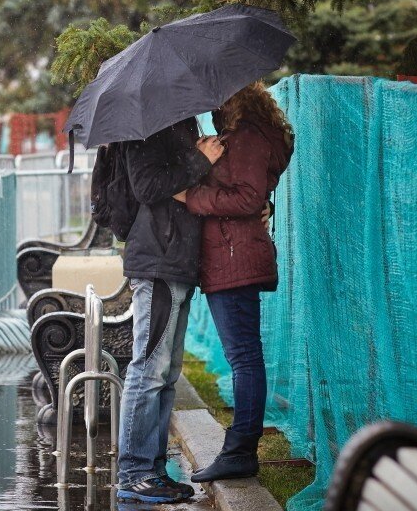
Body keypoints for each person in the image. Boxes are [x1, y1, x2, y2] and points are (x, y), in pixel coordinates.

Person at [173, 81, 294, 483]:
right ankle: (240, 447)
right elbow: (253, 195)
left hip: (234, 257)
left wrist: (192, 194)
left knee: (244, 357)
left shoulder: (246, 136)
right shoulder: (240, 135)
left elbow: (246, 197)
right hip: (231, 255)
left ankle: (241, 450)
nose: (210, 105)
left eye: (216, 97)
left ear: (233, 96)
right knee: (244, 356)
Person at [115, 118, 224, 504]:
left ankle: (153, 470)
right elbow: (147, 186)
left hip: (176, 261)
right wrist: (199, 159)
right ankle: (134, 472)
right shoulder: (146, 125)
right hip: (157, 262)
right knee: (148, 370)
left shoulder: (181, 121)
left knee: (167, 373)